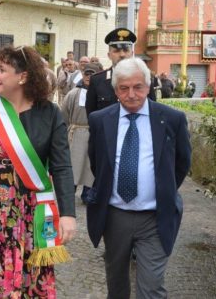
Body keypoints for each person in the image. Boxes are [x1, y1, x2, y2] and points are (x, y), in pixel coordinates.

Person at [0, 45, 76, 298]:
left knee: (29, 278)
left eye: (2, 70)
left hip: (31, 209)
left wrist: (67, 214)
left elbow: (62, 166)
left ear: (23, 77)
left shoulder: (49, 113)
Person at [86, 57, 191, 298]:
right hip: (115, 216)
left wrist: (162, 189)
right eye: (124, 88)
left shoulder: (172, 119)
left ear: (148, 86)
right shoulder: (100, 120)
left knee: (152, 286)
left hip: (155, 217)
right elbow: (97, 163)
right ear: (115, 90)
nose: (131, 94)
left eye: (138, 87)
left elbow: (182, 163)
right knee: (116, 284)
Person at [85, 28, 156, 116]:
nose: (122, 55)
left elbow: (152, 110)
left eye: (126, 50)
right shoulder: (97, 80)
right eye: (117, 51)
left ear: (132, 53)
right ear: (109, 55)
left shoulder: (144, 78)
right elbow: (92, 115)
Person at [61, 63, 100, 204]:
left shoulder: (101, 93)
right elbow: (64, 115)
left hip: (94, 134)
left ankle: (88, 194)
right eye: (86, 74)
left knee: (90, 167)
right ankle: (68, 193)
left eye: (92, 74)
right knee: (73, 165)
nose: (88, 77)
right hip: (76, 133)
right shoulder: (73, 94)